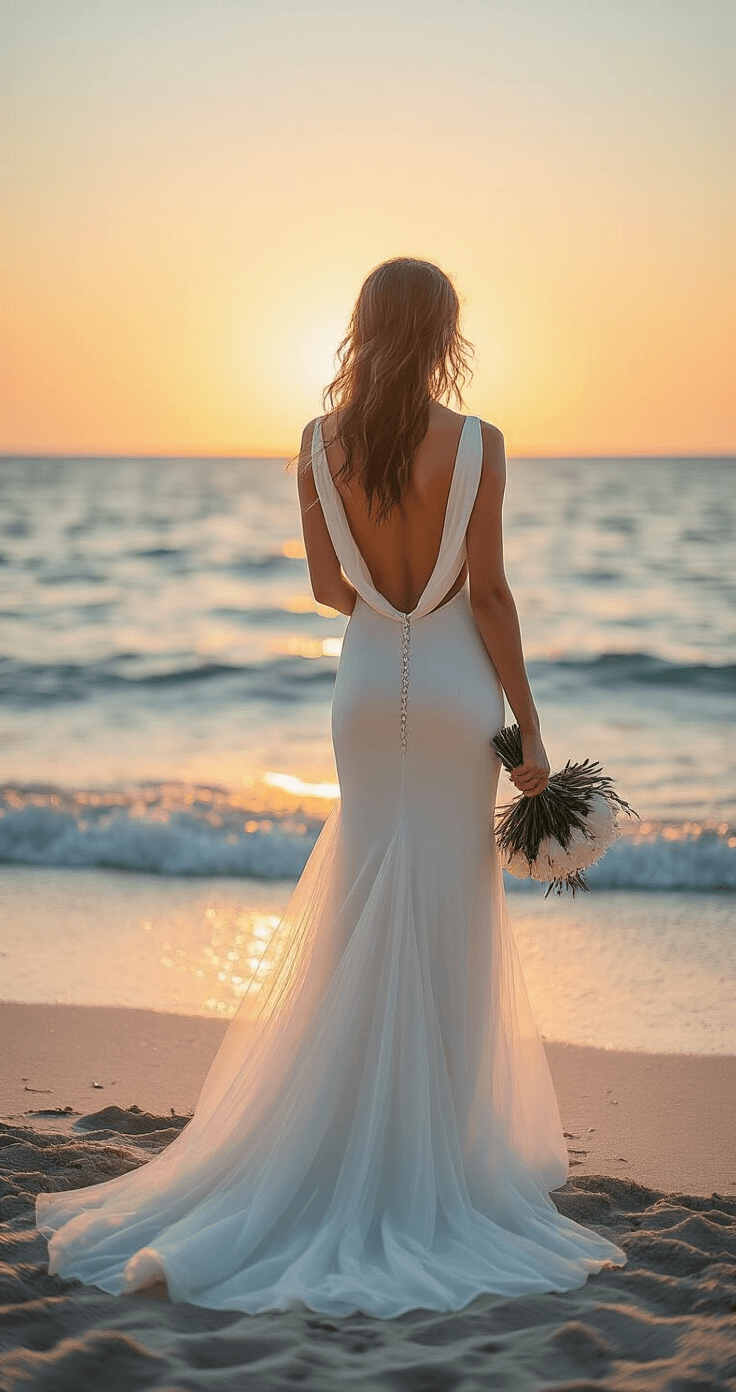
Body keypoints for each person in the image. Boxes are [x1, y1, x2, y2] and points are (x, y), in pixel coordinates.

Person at [36, 257, 626, 1317]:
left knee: (367, 881)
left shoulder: (317, 443)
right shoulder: (479, 442)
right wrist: (527, 722)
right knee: (446, 903)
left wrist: (376, 573)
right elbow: (487, 590)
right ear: (445, 332)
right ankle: (423, 1147)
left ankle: (340, 1127)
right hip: (452, 689)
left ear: (361, 328)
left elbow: (324, 588)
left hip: (363, 687)